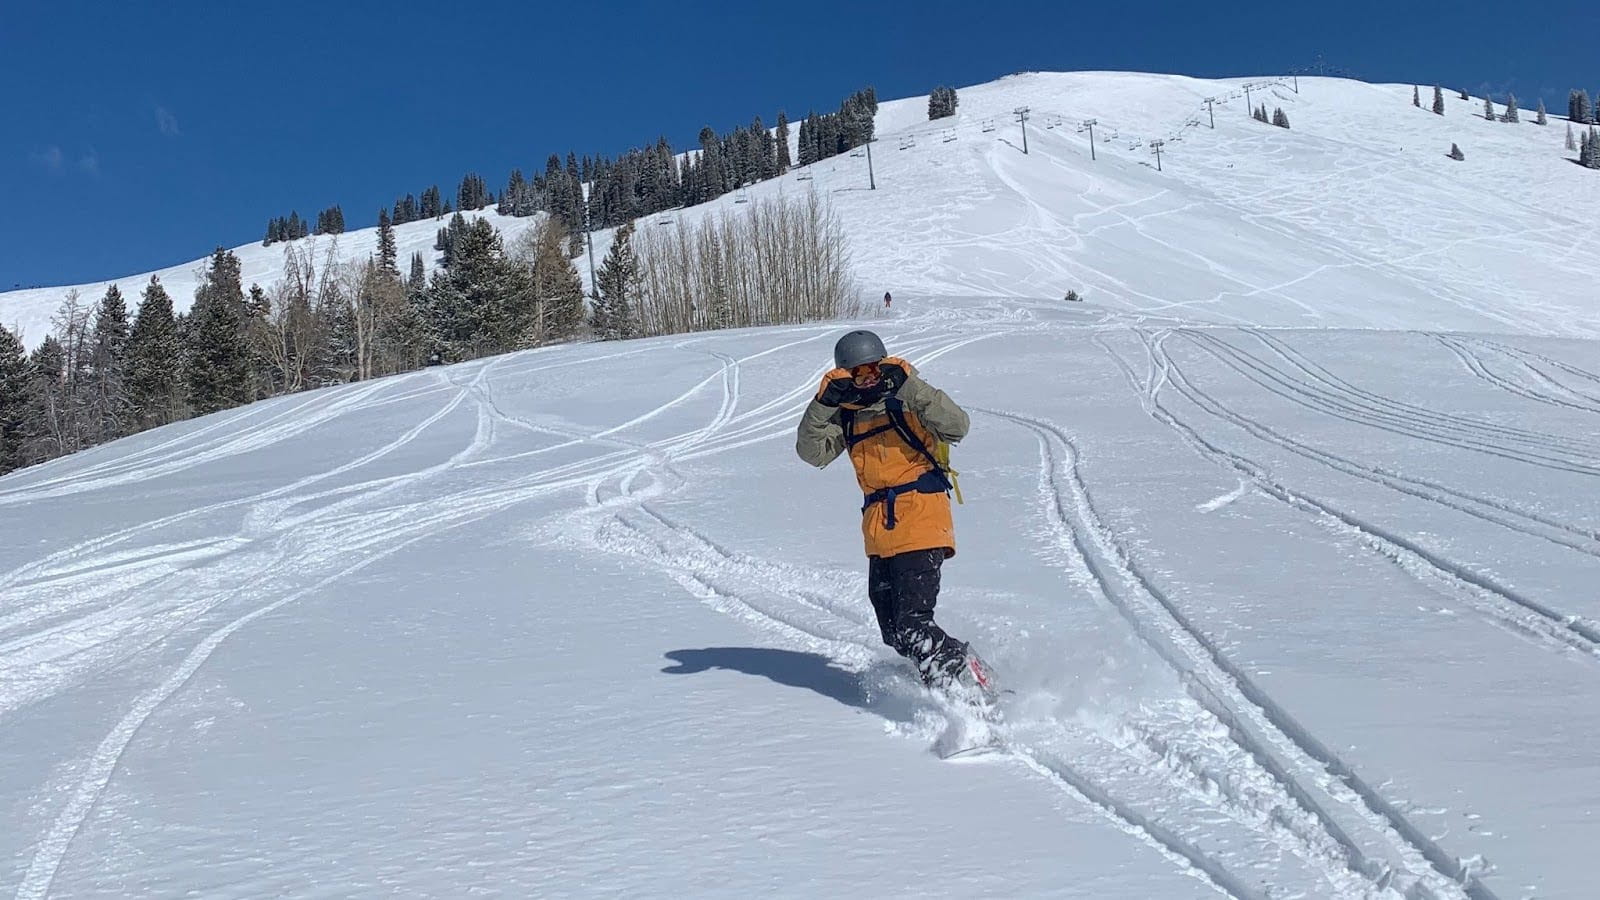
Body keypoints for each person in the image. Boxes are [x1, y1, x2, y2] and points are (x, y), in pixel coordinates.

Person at [795, 330, 995, 698]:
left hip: (921, 518)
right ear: (845, 376)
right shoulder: (849, 416)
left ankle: (960, 694)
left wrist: (910, 388)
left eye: (873, 367)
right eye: (857, 372)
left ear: (885, 365)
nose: (868, 376)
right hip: (879, 532)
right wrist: (823, 405)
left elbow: (957, 426)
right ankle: (963, 667)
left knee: (913, 625)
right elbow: (812, 454)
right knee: (894, 632)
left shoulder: (910, 400)